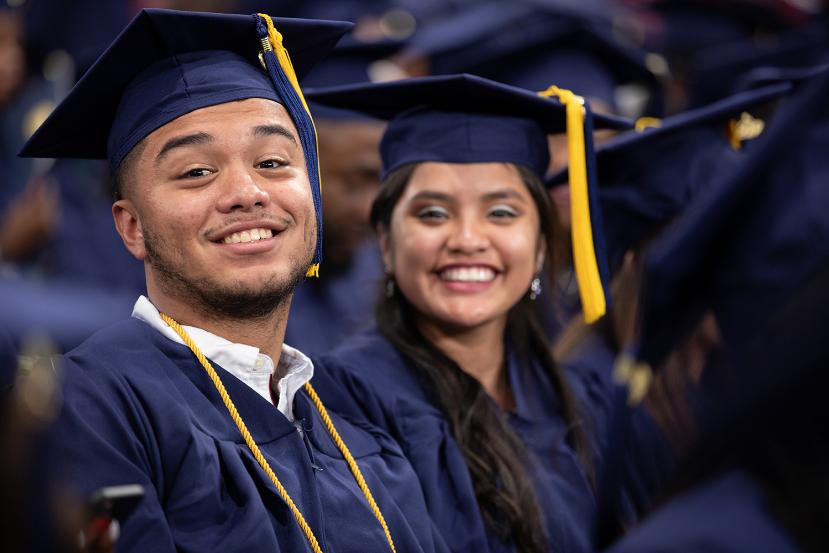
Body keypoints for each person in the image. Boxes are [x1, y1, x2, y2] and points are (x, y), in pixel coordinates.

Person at [20, 9, 449, 553]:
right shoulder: (89, 414)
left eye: (273, 162)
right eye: (197, 172)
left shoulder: (364, 444)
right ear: (132, 227)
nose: (247, 192)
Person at [305, 73, 635, 553]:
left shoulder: (575, 397)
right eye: (432, 214)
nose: (466, 239)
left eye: (501, 213)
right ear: (386, 243)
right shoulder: (345, 401)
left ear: (541, 245)